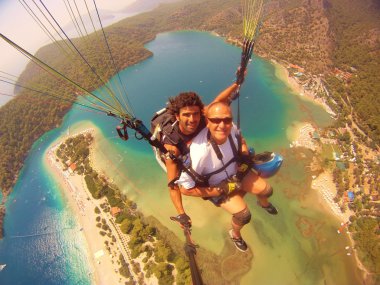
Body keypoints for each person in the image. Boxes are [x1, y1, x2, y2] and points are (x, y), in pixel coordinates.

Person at [176, 101, 278, 252]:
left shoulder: (232, 130)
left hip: (236, 174)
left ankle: (263, 203)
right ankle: (235, 235)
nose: (222, 125)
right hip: (219, 185)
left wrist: (244, 155)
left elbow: (241, 141)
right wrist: (217, 191)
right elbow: (185, 189)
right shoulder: (199, 153)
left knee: (267, 190)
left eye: (227, 120)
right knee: (244, 215)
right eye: (216, 120)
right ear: (207, 123)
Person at [162, 83, 240, 229]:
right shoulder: (173, 146)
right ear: (177, 116)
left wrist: (237, 83)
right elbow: (173, 185)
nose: (192, 119)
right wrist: (181, 214)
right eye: (186, 115)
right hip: (188, 169)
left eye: (196, 114)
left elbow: (219, 100)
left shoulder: (202, 117)